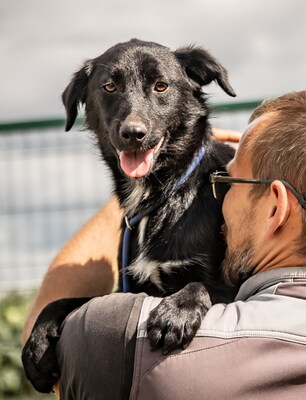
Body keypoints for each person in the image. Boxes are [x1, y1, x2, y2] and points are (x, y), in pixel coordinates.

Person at [27, 92, 306, 399]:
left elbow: (45, 354)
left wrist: (139, 186)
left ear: (275, 208)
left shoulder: (120, 341)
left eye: (228, 180)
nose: (219, 193)